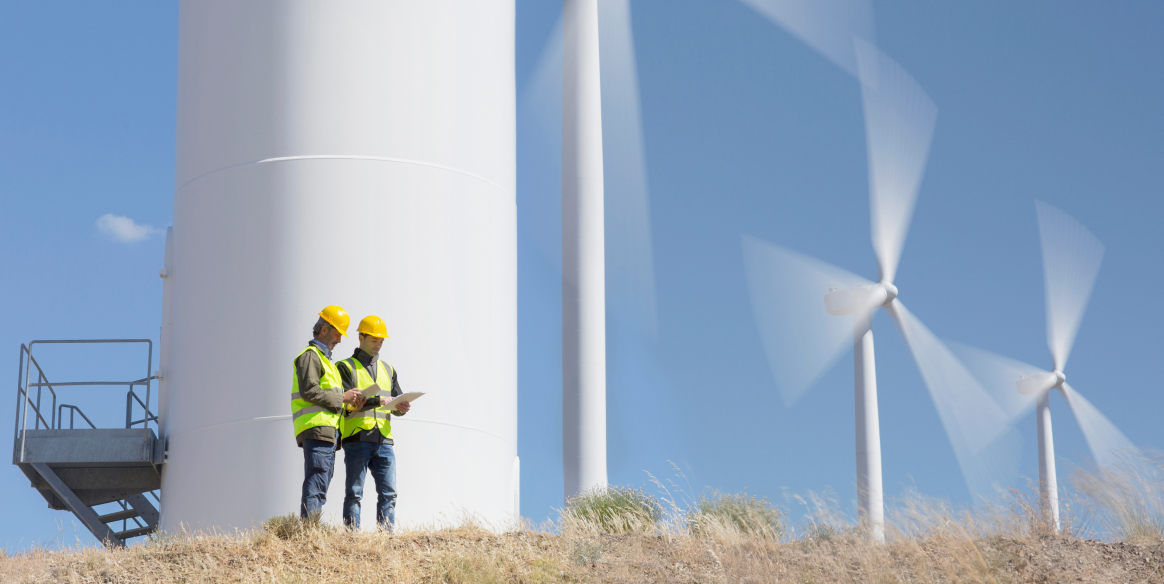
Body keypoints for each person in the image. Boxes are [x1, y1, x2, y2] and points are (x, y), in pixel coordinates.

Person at [337, 315, 412, 530]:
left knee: (389, 493)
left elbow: (395, 400)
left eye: (381, 341)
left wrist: (401, 408)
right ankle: (352, 537)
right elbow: (346, 401)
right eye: (374, 340)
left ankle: (385, 537)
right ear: (360, 338)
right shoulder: (344, 367)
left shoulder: (388, 369)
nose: (378, 345)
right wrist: (379, 400)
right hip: (357, 437)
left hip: (384, 440)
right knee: (354, 492)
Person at [291, 305, 366, 519]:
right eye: (337, 334)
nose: (340, 340)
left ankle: (310, 532)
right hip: (317, 430)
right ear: (324, 329)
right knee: (316, 485)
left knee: (320, 486)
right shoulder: (310, 356)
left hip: (327, 432)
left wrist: (349, 404)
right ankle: (309, 534)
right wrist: (342, 397)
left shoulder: (326, 361)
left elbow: (328, 397)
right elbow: (309, 391)